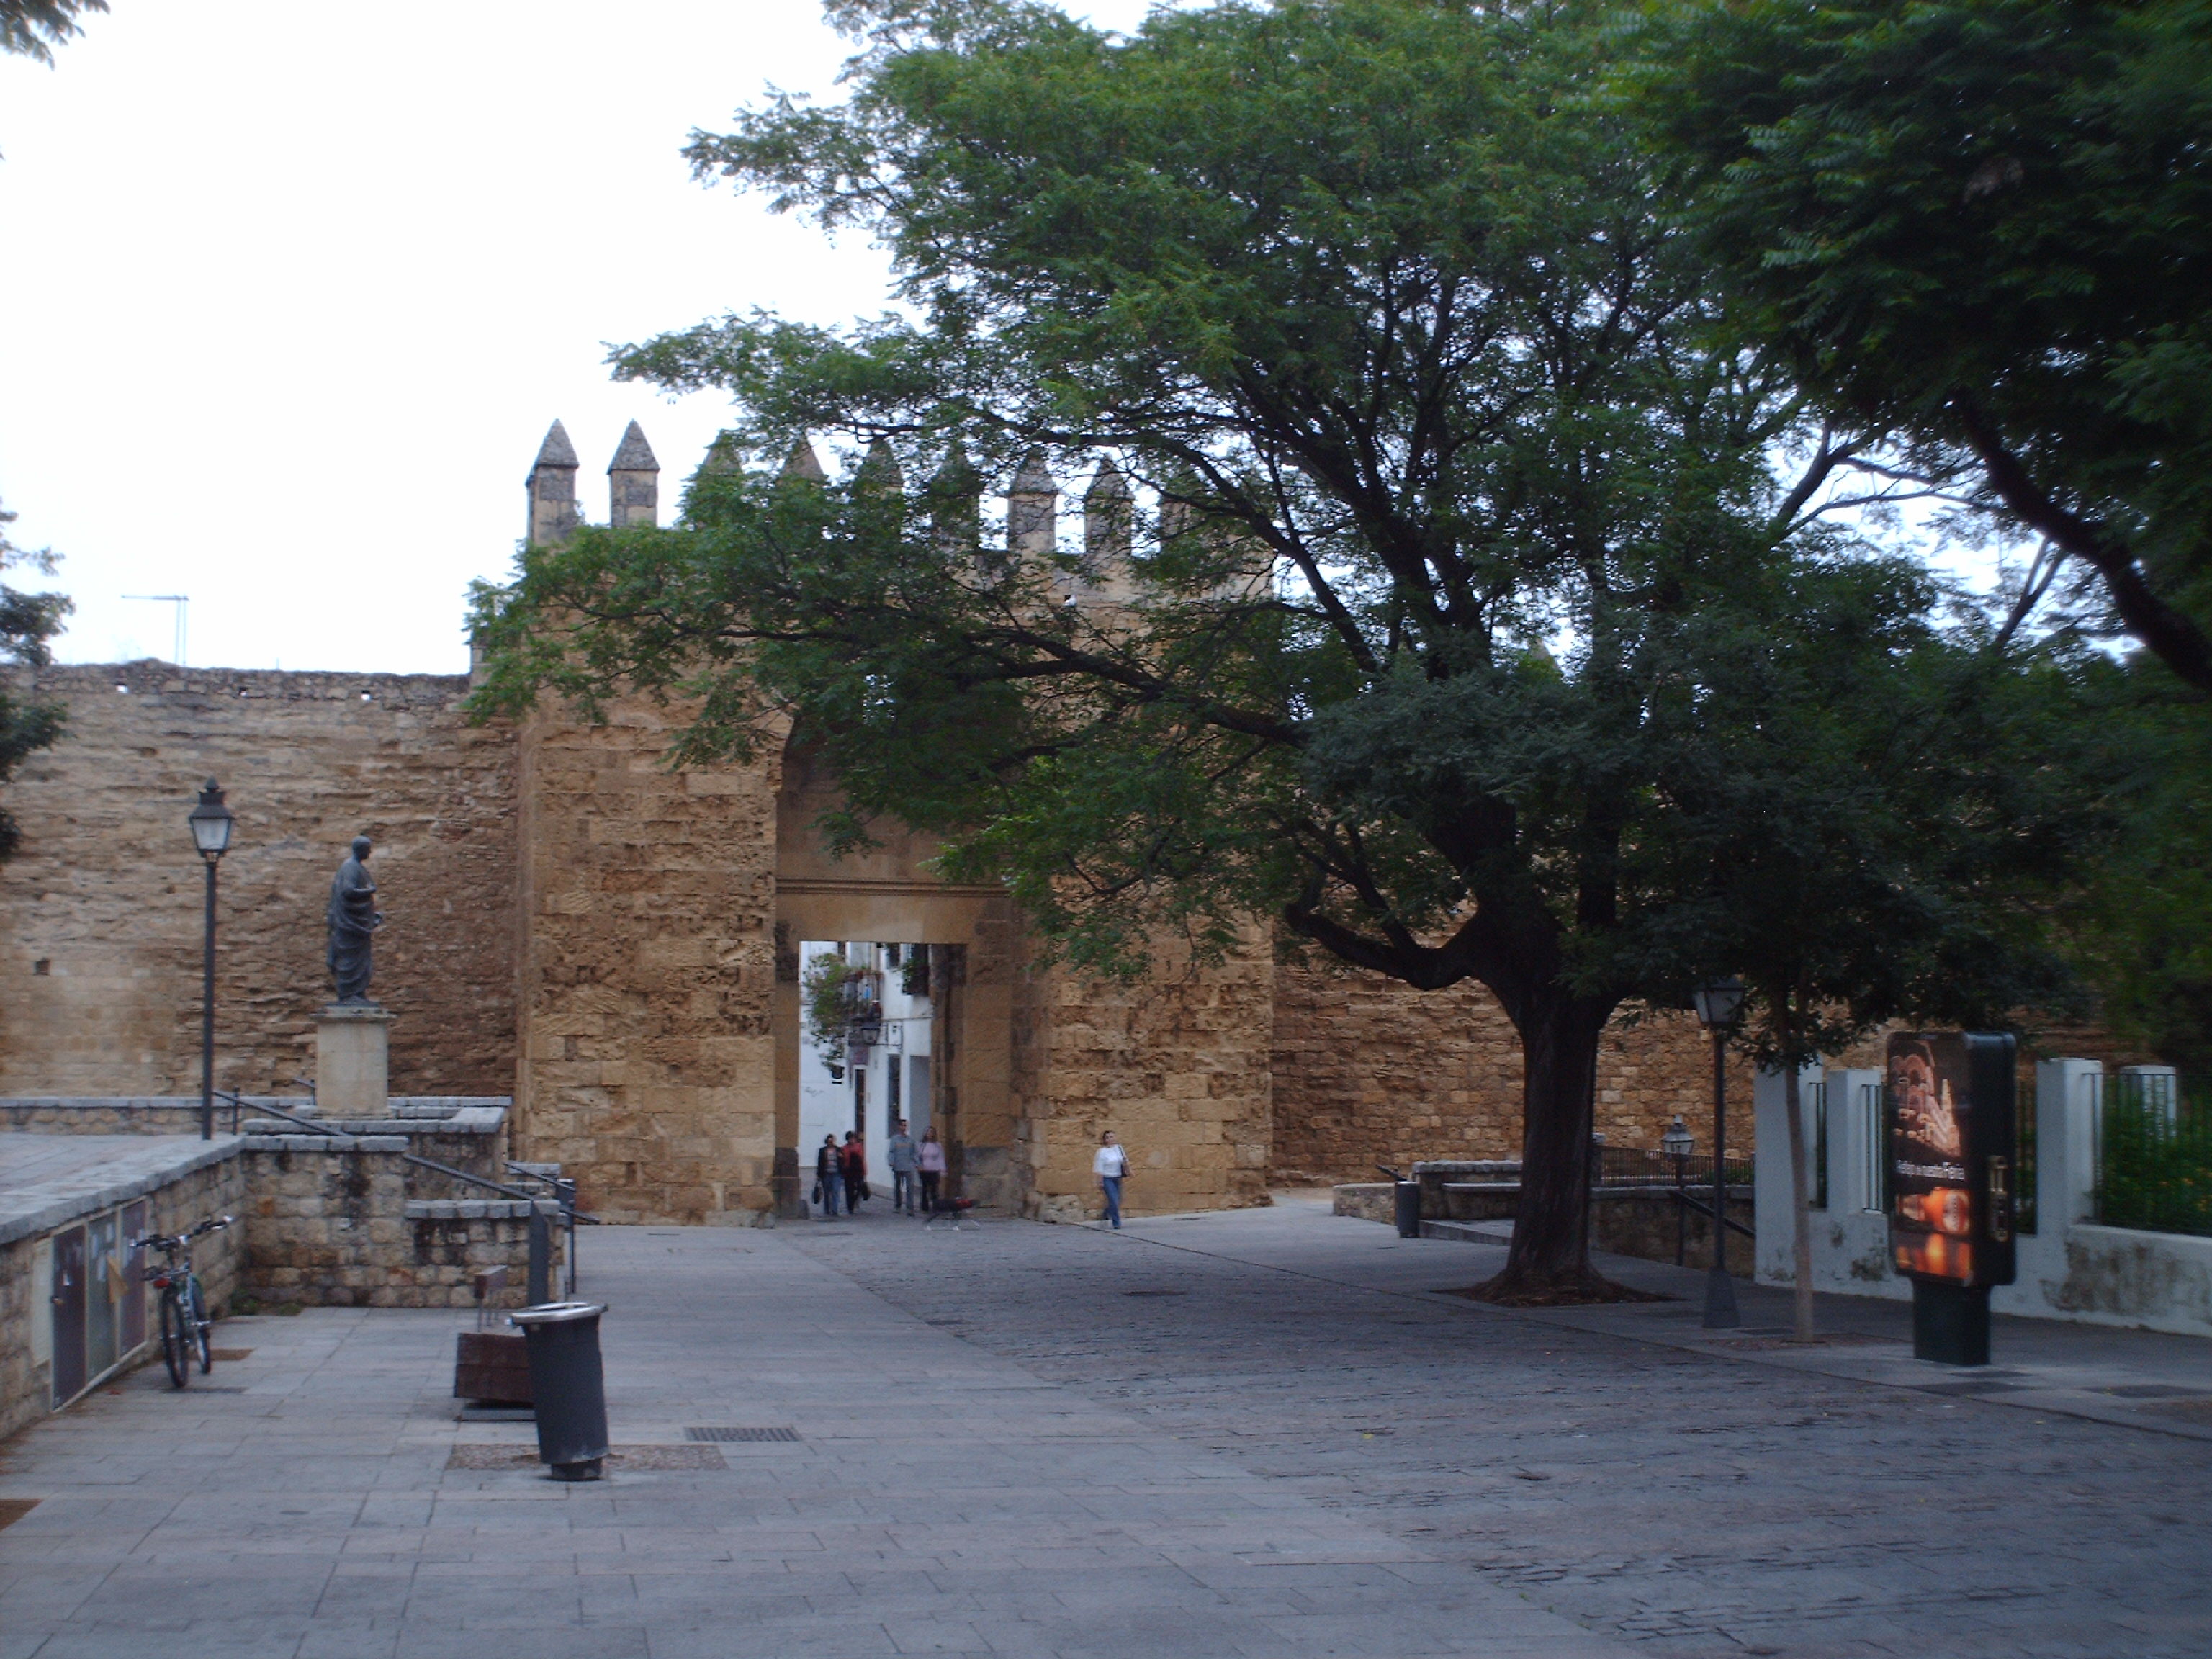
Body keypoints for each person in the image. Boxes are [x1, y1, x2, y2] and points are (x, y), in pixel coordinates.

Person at [1094, 1130, 1130, 1229]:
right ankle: (1116, 1223)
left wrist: (1129, 1170)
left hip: (1117, 1177)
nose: (1110, 1139)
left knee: (1117, 1200)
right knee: (1113, 1200)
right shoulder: (1102, 1152)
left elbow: (1124, 1160)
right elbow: (1099, 1167)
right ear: (1105, 1140)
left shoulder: (1119, 1148)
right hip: (1107, 1178)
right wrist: (1100, 1181)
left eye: (1112, 1137)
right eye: (1108, 1138)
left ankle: (1106, 1213)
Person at [886, 1118, 920, 1215]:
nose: (904, 1127)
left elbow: (914, 1153)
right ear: (899, 1127)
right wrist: (891, 1162)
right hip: (898, 1166)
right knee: (898, 1187)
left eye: (905, 1126)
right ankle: (897, 1205)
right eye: (902, 1125)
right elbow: (891, 1151)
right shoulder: (895, 1139)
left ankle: (910, 1207)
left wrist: (917, 1164)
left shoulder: (911, 1140)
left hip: (909, 1166)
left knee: (910, 1187)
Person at [813, 1133, 842, 1218]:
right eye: (829, 1141)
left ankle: (835, 1210)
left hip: (836, 1173)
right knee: (826, 1193)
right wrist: (818, 1175)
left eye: (832, 1140)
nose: (831, 1142)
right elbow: (820, 1163)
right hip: (826, 1174)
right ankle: (827, 1210)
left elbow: (843, 1161)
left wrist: (841, 1157)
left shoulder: (839, 1150)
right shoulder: (822, 1151)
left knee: (835, 1191)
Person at [918, 1130, 947, 1214]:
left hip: (934, 1170)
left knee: (934, 1189)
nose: (930, 1134)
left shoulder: (937, 1145)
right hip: (924, 1170)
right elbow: (918, 1156)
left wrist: (943, 1169)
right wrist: (918, 1166)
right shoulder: (921, 1145)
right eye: (928, 1132)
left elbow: (941, 1158)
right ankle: (924, 1207)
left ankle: (935, 1207)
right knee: (925, 1188)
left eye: (932, 1133)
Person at [842, 1130, 868, 1213]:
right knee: (849, 1189)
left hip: (858, 1170)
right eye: (850, 1138)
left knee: (859, 1187)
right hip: (848, 1171)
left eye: (853, 1138)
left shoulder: (859, 1147)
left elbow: (861, 1159)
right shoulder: (844, 1148)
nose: (852, 1140)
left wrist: (864, 1171)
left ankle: (855, 1201)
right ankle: (850, 1207)